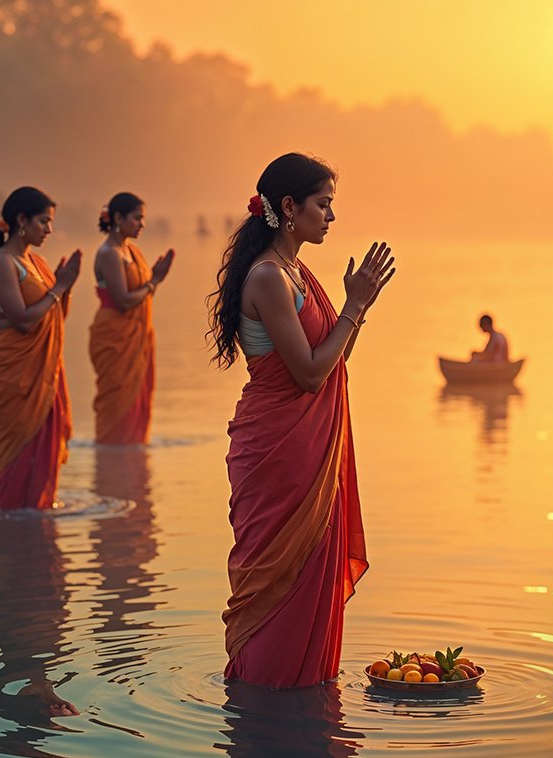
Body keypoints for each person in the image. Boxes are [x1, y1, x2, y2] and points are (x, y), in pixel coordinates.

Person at [208, 153, 395, 688]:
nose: (331, 217)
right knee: (275, 580)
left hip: (307, 444)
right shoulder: (268, 276)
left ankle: (304, 701)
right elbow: (310, 375)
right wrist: (352, 307)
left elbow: (334, 360)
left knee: (310, 569)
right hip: (277, 450)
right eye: (323, 204)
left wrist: (361, 305)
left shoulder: (297, 272)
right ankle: (266, 703)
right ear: (289, 207)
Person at [0, 187, 82, 510]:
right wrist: (59, 287)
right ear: (21, 220)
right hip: (13, 376)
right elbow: (22, 321)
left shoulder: (36, 261)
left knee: (41, 465)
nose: (49, 230)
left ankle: (37, 540)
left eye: (51, 222)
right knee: (13, 462)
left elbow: (53, 319)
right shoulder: (1, 262)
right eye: (43, 222)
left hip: (42, 373)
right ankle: (9, 541)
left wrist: (65, 290)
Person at [89, 192, 174, 445]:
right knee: (116, 399)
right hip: (114, 334)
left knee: (138, 397)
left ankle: (131, 462)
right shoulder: (108, 253)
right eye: (137, 218)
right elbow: (123, 300)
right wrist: (155, 280)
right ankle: (110, 455)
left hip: (138, 333)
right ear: (118, 218)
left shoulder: (132, 250)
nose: (142, 224)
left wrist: (155, 280)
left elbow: (143, 296)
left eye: (142, 218)